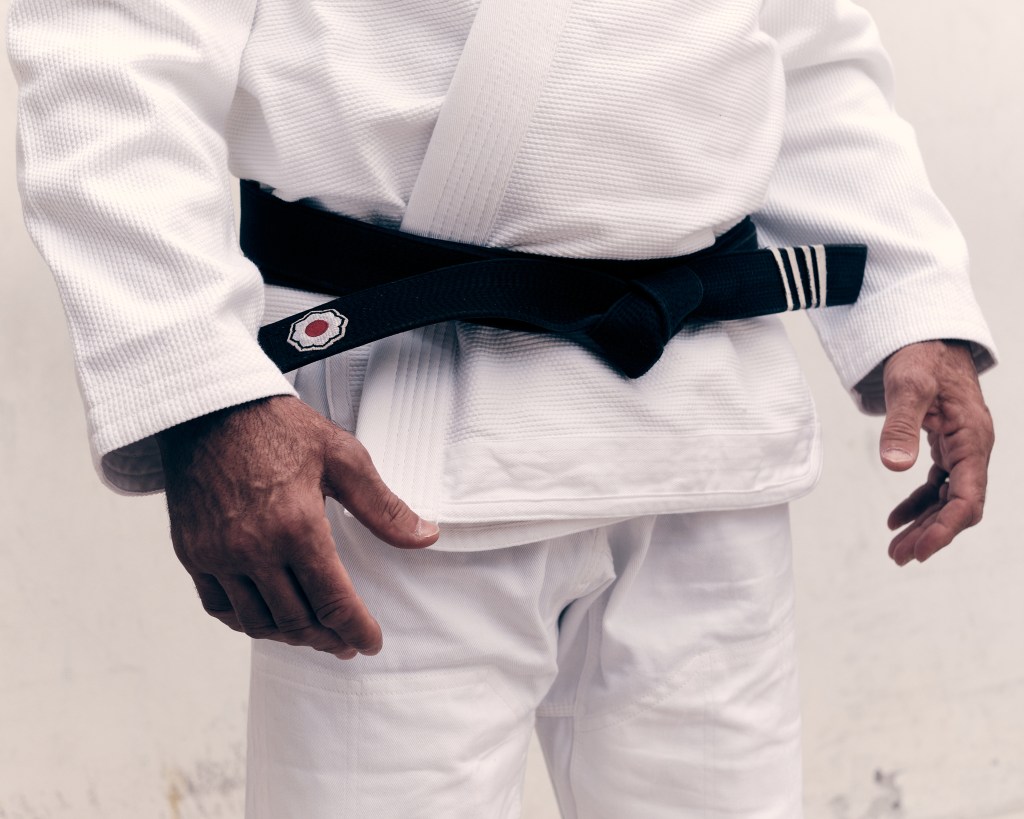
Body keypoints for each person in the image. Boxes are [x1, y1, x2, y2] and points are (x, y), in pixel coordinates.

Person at [7, 0, 995, 815]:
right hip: (395, 447)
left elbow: (797, 43)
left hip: (705, 439)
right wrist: (206, 392)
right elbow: (111, 41)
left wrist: (911, 301)